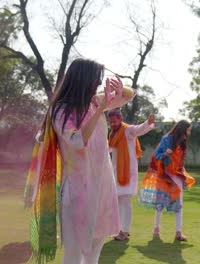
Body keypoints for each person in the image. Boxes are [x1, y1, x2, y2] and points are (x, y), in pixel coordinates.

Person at [25, 58, 135, 264]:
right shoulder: (60, 110)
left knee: (94, 256)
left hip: (102, 190)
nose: (97, 84)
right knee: (73, 257)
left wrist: (120, 90)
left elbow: (129, 95)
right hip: (77, 194)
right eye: (95, 79)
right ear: (83, 80)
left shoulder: (93, 102)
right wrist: (102, 106)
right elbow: (77, 140)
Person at [137, 120, 195, 241]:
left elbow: (179, 162)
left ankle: (178, 232)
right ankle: (156, 229)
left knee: (179, 203)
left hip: (177, 175)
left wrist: (182, 175)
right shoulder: (167, 139)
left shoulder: (183, 142)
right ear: (183, 129)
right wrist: (165, 154)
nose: (189, 132)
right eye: (188, 130)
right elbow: (156, 155)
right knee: (160, 203)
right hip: (164, 175)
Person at [108, 109, 155, 241]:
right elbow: (108, 149)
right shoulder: (112, 134)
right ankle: (119, 230)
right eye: (110, 122)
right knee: (117, 202)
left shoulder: (128, 130)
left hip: (128, 172)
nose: (112, 124)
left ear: (121, 119)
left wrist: (147, 123)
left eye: (115, 121)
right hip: (116, 172)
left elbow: (138, 129)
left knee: (126, 202)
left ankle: (125, 231)